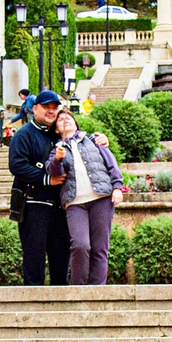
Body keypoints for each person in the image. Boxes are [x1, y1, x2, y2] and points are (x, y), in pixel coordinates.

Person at [53, 108, 126, 285]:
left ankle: (97, 289)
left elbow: (111, 164)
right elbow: (55, 173)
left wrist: (117, 187)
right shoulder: (56, 149)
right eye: (60, 119)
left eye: (68, 117)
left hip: (101, 199)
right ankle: (79, 288)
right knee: (80, 245)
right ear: (56, 129)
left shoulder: (93, 140)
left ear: (75, 123)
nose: (65, 120)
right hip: (75, 203)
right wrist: (57, 159)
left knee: (100, 247)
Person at [7, 88, 71, 285]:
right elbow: (16, 165)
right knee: (34, 261)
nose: (51, 111)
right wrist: (46, 179)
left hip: (61, 208)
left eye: (54, 108)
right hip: (34, 205)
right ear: (34, 109)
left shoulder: (61, 135)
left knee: (61, 261)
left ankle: (60, 310)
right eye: (46, 107)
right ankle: (32, 311)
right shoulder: (24, 135)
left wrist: (101, 140)